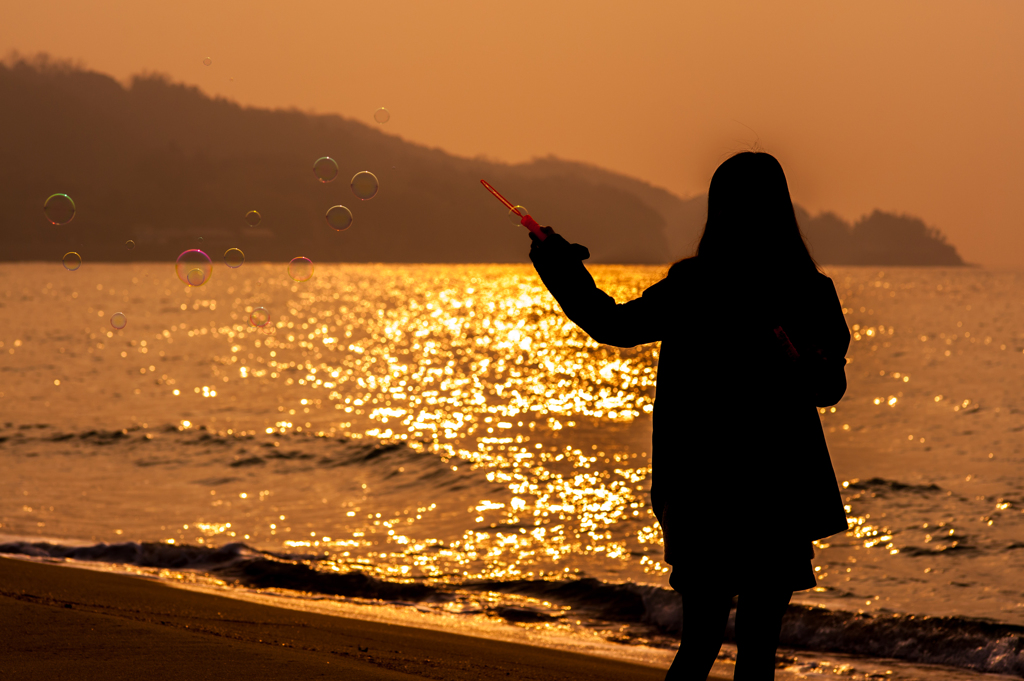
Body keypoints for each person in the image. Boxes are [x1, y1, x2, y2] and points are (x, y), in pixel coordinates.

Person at [528, 152, 851, 681]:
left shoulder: (697, 285)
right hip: (776, 490)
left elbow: (610, 323)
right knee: (756, 655)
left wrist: (561, 268)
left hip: (704, 488)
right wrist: (810, 367)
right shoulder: (807, 289)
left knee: (699, 644)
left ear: (716, 209)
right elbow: (829, 389)